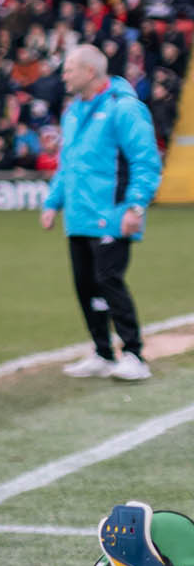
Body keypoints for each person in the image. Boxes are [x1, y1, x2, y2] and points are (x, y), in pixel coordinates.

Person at [42, 44, 162, 382]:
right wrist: (53, 203)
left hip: (113, 214)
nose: (63, 75)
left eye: (69, 69)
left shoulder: (124, 109)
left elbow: (146, 161)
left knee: (109, 280)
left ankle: (135, 353)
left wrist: (136, 206)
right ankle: (102, 352)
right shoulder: (73, 112)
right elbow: (69, 165)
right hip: (79, 217)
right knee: (85, 286)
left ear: (90, 72)